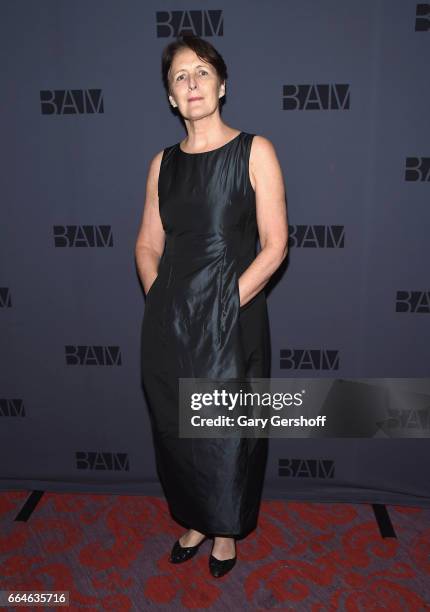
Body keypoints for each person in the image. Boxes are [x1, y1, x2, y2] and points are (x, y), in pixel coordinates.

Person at [135, 34, 288, 578]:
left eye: (202, 72)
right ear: (171, 98)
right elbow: (147, 243)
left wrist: (221, 308)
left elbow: (275, 246)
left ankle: (225, 532)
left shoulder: (256, 151)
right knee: (178, 428)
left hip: (233, 318)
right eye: (180, 76)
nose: (192, 83)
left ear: (222, 86)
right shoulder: (163, 164)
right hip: (170, 322)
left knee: (228, 432)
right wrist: (161, 299)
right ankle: (197, 519)